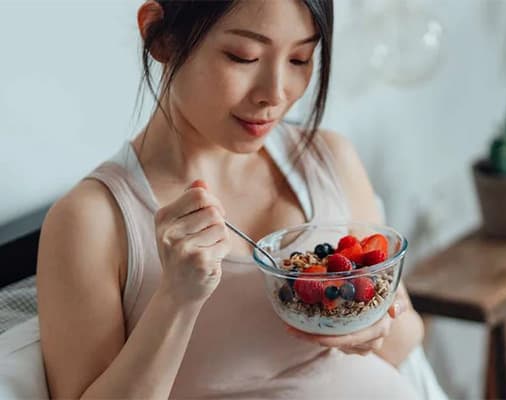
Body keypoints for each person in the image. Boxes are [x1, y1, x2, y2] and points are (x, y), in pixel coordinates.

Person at [36, 1, 445, 398]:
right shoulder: (91, 221)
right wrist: (176, 299)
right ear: (161, 37)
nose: (276, 93)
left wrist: (373, 321)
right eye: (243, 56)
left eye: (300, 59)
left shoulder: (328, 158)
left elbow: (404, 343)